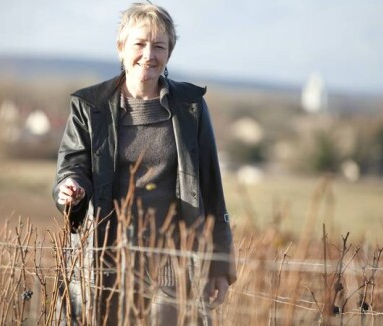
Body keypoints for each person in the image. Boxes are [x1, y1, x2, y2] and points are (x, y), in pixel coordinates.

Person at [52, 2, 236, 325]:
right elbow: (73, 165)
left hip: (171, 269)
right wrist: (71, 187)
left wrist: (221, 265)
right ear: (121, 48)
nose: (149, 54)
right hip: (104, 261)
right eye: (139, 43)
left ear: (169, 54)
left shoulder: (191, 108)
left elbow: (211, 187)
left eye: (159, 46)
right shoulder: (89, 106)